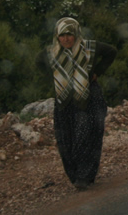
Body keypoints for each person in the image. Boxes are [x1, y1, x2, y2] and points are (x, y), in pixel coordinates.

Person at [38, 17, 117, 191]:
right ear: (57, 36)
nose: (66, 39)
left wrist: (97, 72)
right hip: (64, 101)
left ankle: (85, 176)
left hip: (89, 98)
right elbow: (38, 63)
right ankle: (75, 175)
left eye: (70, 34)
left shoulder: (89, 48)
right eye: (62, 35)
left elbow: (111, 51)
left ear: (76, 34)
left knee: (87, 137)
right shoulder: (52, 53)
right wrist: (56, 79)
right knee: (66, 140)